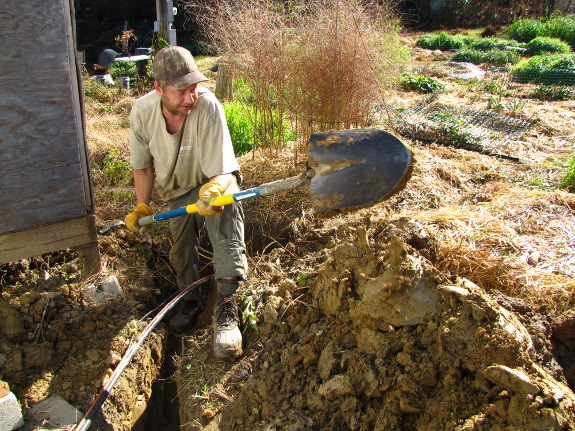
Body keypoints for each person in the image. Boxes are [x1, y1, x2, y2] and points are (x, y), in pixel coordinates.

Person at [124, 46, 247, 360]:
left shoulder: (207, 106)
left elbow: (225, 172)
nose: (190, 98)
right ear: (158, 88)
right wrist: (142, 206)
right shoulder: (141, 112)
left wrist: (213, 192)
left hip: (211, 183)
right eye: (181, 91)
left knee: (225, 209)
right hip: (175, 192)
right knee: (181, 250)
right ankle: (189, 296)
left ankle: (226, 307)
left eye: (194, 89)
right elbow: (142, 165)